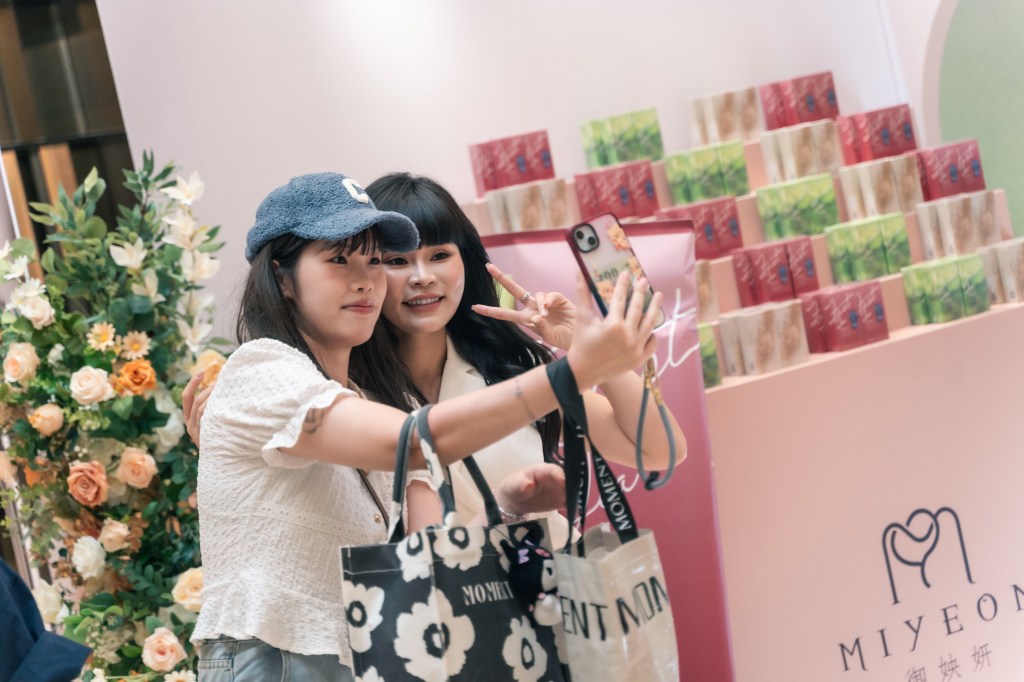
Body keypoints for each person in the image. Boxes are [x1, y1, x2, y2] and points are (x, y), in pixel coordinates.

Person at [189, 171, 662, 681]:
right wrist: (573, 371)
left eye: (375, 260)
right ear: (282, 278)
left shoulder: (368, 398)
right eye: (339, 260)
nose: (366, 279)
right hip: (279, 659)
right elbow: (410, 443)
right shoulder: (262, 370)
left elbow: (428, 560)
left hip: (419, 648)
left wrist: (510, 507)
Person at [362, 172, 687, 539]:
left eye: (439, 255)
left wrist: (584, 347)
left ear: (465, 262)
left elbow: (660, 450)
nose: (422, 277)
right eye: (397, 261)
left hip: (553, 572)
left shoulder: (510, 368)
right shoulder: (350, 396)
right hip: (437, 575)